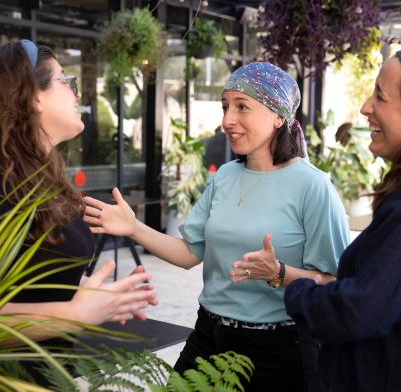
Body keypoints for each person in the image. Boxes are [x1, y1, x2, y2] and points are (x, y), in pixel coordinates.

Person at [83, 62, 349, 392]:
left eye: (242, 107)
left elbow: (336, 284)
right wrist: (133, 227)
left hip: (280, 349)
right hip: (209, 336)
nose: (227, 121)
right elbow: (189, 254)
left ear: (278, 116)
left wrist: (280, 272)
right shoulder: (224, 176)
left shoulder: (313, 186)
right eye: (226, 107)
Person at [0, 39, 157, 383]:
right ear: (34, 95)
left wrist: (94, 293)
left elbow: (35, 282)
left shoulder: (43, 179)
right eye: (66, 82)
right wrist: (75, 313)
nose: (78, 94)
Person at [281, 51, 401, 391]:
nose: (365, 106)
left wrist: (298, 291)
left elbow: (361, 307)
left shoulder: (314, 184)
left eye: (380, 95)